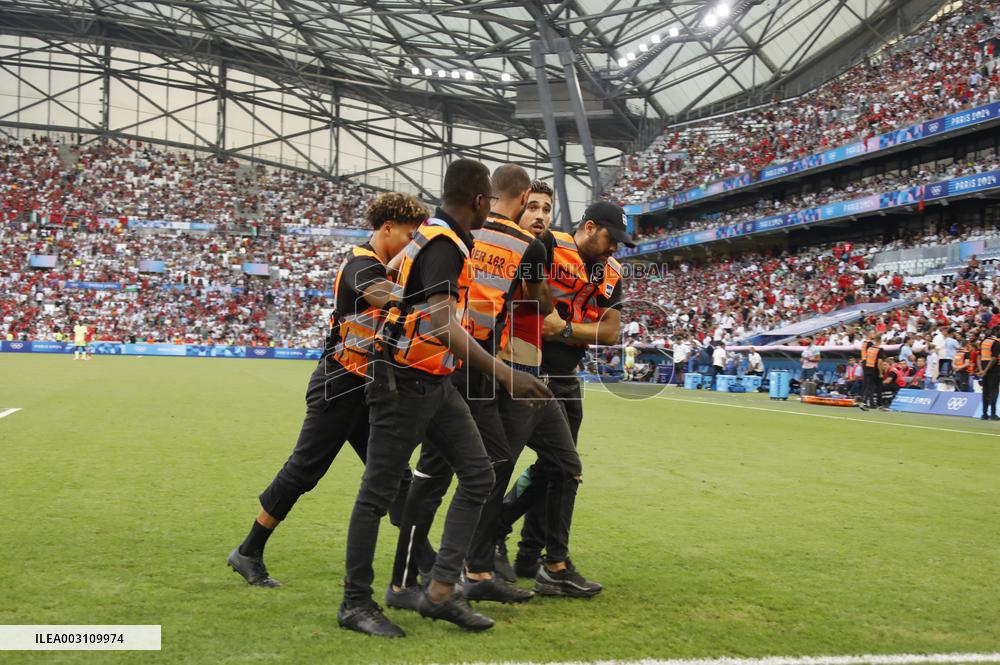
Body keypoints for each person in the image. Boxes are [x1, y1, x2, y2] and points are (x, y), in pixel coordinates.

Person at [337, 159, 550, 638]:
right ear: (478, 200)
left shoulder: (432, 235)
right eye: (487, 204)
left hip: (433, 380)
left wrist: (398, 305)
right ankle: (355, 603)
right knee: (376, 494)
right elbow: (439, 323)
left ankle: (438, 590)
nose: (489, 211)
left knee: (478, 473)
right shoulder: (444, 243)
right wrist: (505, 374)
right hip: (404, 382)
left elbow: (392, 273)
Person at [227, 193, 427, 588]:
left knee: (396, 475)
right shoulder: (360, 264)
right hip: (338, 387)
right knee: (304, 471)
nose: (412, 244)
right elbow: (383, 298)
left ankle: (423, 563)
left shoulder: (386, 267)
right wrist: (434, 298)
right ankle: (247, 551)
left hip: (367, 390)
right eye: (409, 235)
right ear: (387, 228)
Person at [497, 200, 630, 584]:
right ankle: (503, 542)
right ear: (589, 227)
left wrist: (566, 329)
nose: (614, 248)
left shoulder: (611, 272)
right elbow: (521, 299)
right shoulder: (548, 246)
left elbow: (610, 332)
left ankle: (530, 553)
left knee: (559, 469)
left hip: (566, 374)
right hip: (525, 369)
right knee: (514, 462)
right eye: (610, 238)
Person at [977, 329, 1000, 421]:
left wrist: (981, 370)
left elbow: (978, 357)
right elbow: (994, 359)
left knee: (985, 392)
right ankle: (993, 414)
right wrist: (985, 371)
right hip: (994, 370)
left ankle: (984, 414)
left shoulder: (983, 342)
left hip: (983, 369)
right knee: (993, 392)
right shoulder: (996, 342)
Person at [859, 331, 882, 411]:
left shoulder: (864, 343)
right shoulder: (870, 344)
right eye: (873, 333)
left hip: (865, 364)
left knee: (867, 384)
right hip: (870, 365)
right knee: (869, 385)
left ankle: (868, 402)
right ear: (869, 334)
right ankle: (867, 402)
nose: (874, 335)